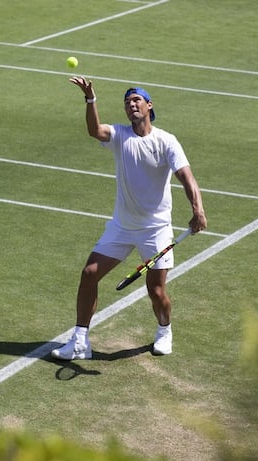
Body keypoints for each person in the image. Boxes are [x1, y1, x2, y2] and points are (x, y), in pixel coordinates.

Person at [52, 77, 207, 360]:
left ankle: (164, 330)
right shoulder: (120, 135)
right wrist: (90, 99)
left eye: (136, 100)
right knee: (89, 274)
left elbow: (186, 177)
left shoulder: (166, 141)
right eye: (127, 102)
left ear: (149, 106)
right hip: (122, 226)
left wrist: (197, 209)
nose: (131, 105)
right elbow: (94, 130)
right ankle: (80, 341)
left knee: (156, 291)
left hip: (156, 230)